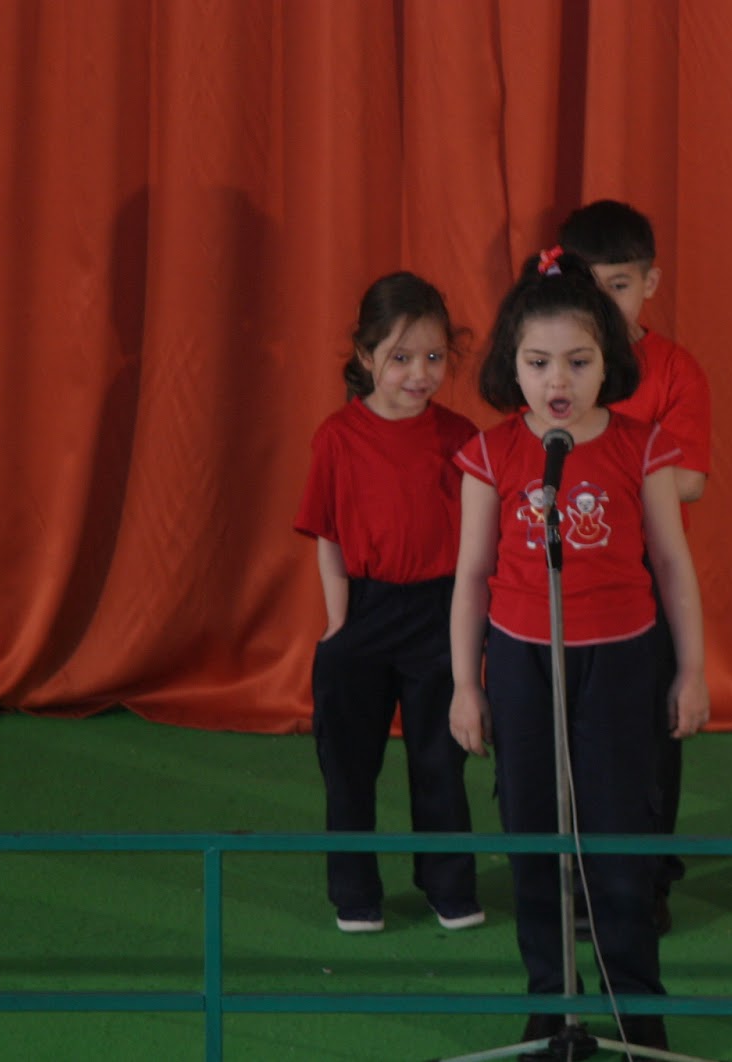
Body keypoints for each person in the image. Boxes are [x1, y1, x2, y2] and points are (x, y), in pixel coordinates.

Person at [449, 248, 709, 1054]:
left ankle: (637, 1010)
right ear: (511, 367)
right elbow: (471, 577)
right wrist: (467, 684)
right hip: (524, 662)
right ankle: (550, 1007)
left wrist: (692, 670)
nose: (557, 381)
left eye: (578, 361)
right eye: (537, 363)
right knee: (533, 838)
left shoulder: (643, 446)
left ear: (608, 364)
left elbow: (672, 564)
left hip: (623, 663)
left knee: (617, 841)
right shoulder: (493, 454)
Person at [293, 271, 484, 934]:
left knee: (440, 762)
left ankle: (448, 884)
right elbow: (327, 533)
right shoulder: (336, 439)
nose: (419, 374)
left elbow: (476, 551)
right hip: (366, 614)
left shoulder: (461, 439)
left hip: (439, 614)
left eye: (434, 357)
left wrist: (466, 642)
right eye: (401, 358)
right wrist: (340, 620)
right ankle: (355, 893)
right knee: (349, 765)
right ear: (366, 355)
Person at [557, 199, 712, 933]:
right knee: (571, 736)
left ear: (650, 283)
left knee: (647, 739)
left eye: (619, 284)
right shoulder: (549, 357)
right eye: (588, 283)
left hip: (645, 580)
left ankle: (646, 875)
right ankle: (576, 873)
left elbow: (692, 477)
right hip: (566, 576)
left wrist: (611, 469)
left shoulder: (675, 368)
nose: (603, 300)